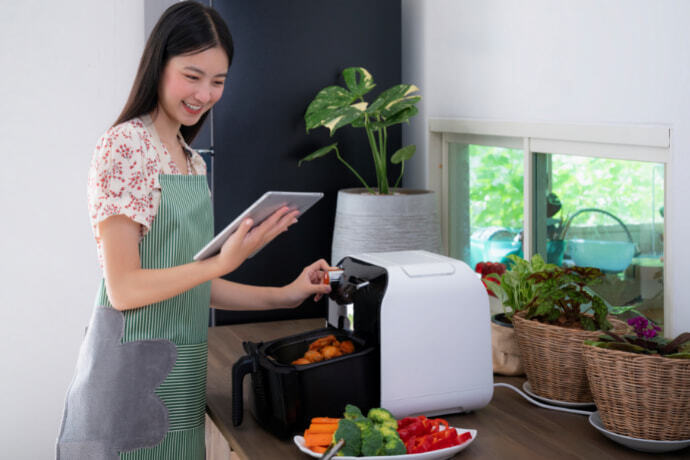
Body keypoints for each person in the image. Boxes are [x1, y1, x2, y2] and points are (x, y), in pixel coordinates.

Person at [56, 2, 332, 459]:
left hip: (181, 385)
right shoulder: (125, 146)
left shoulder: (191, 160)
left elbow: (194, 286)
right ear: (159, 64)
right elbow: (123, 288)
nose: (204, 93)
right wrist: (224, 260)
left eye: (218, 81)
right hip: (128, 390)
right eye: (192, 75)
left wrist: (287, 293)